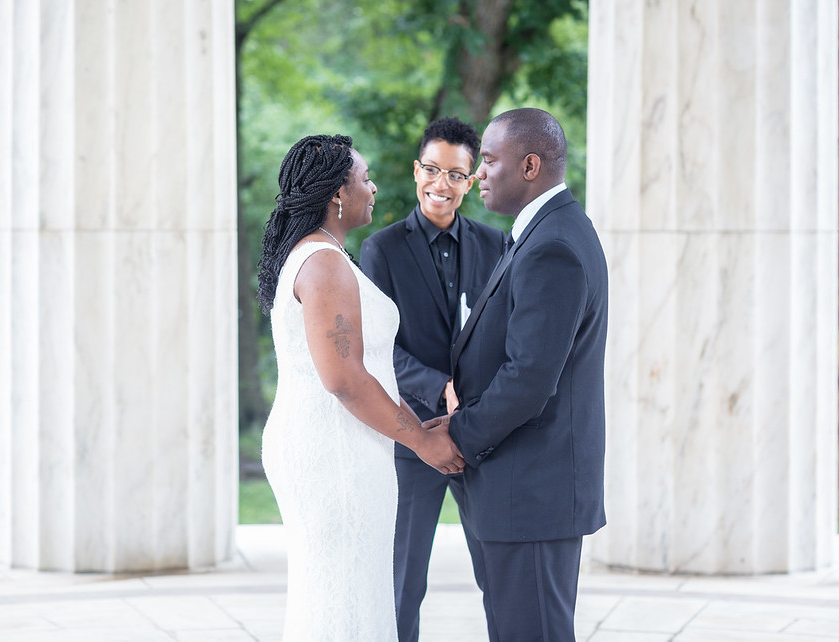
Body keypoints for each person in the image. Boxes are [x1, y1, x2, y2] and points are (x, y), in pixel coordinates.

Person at [257, 134, 465, 642]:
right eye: (365, 178)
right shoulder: (324, 263)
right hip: (335, 455)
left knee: (342, 592)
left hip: (342, 446)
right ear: (336, 194)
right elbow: (345, 378)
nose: (373, 188)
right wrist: (421, 439)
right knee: (342, 599)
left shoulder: (323, 256)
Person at [438, 108, 608, 640]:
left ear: (530, 165)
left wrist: (456, 438)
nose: (477, 174)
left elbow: (529, 379)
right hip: (518, 488)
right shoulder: (541, 234)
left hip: (531, 492)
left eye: (488, 161)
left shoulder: (552, 246)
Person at [359, 117, 505, 642]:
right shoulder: (381, 250)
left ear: (471, 180)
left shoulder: (498, 246)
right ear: (415, 169)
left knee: (499, 577)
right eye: (431, 169)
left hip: (481, 434)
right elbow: (377, 348)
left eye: (456, 174)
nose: (440, 184)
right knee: (402, 584)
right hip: (411, 436)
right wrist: (440, 385)